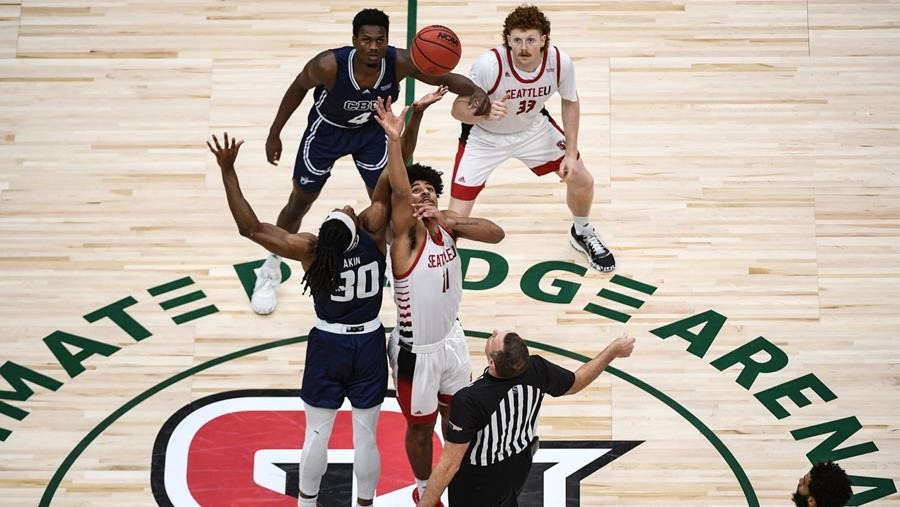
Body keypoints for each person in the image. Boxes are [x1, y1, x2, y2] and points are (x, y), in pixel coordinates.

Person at [205, 98, 439, 505]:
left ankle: (308, 503)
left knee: (316, 433)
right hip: (367, 343)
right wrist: (398, 133)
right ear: (355, 225)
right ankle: (365, 503)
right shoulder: (372, 233)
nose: (345, 203)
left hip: (328, 344)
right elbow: (394, 175)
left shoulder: (311, 250)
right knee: (365, 435)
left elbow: (250, 227)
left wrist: (228, 171)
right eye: (346, 208)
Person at [252, 8, 491, 315]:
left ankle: (393, 263)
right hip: (327, 133)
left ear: (387, 41)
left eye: (380, 40)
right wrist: (275, 133)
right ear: (355, 40)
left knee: (386, 200)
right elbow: (298, 88)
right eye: (366, 40)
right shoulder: (328, 65)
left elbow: (443, 76)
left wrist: (475, 89)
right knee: (300, 201)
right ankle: (271, 267)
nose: (374, 47)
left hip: (371, 133)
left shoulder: (399, 62)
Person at [373, 95, 505, 504]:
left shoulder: (445, 226)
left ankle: (459, 476)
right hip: (417, 352)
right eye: (417, 190)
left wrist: (446, 217)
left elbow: (495, 233)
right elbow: (396, 191)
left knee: (457, 417)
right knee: (419, 426)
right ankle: (421, 489)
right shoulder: (406, 237)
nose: (424, 194)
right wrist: (395, 141)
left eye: (430, 189)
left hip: (452, 340)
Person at [449, 5, 615, 273]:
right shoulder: (489, 65)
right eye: (516, 40)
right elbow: (457, 109)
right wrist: (484, 112)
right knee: (454, 220)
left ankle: (582, 231)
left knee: (582, 180)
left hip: (533, 130)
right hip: (484, 139)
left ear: (543, 40)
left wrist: (571, 153)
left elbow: (570, 102)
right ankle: (431, 265)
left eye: (530, 40)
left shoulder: (559, 62)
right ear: (508, 40)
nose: (523, 47)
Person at [416, 330, 636, 507]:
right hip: (518, 464)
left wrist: (425, 504)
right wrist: (612, 351)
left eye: (493, 338)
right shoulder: (536, 368)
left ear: (492, 363)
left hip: (478, 480)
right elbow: (577, 382)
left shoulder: (470, 399)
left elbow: (449, 465)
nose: (493, 332)